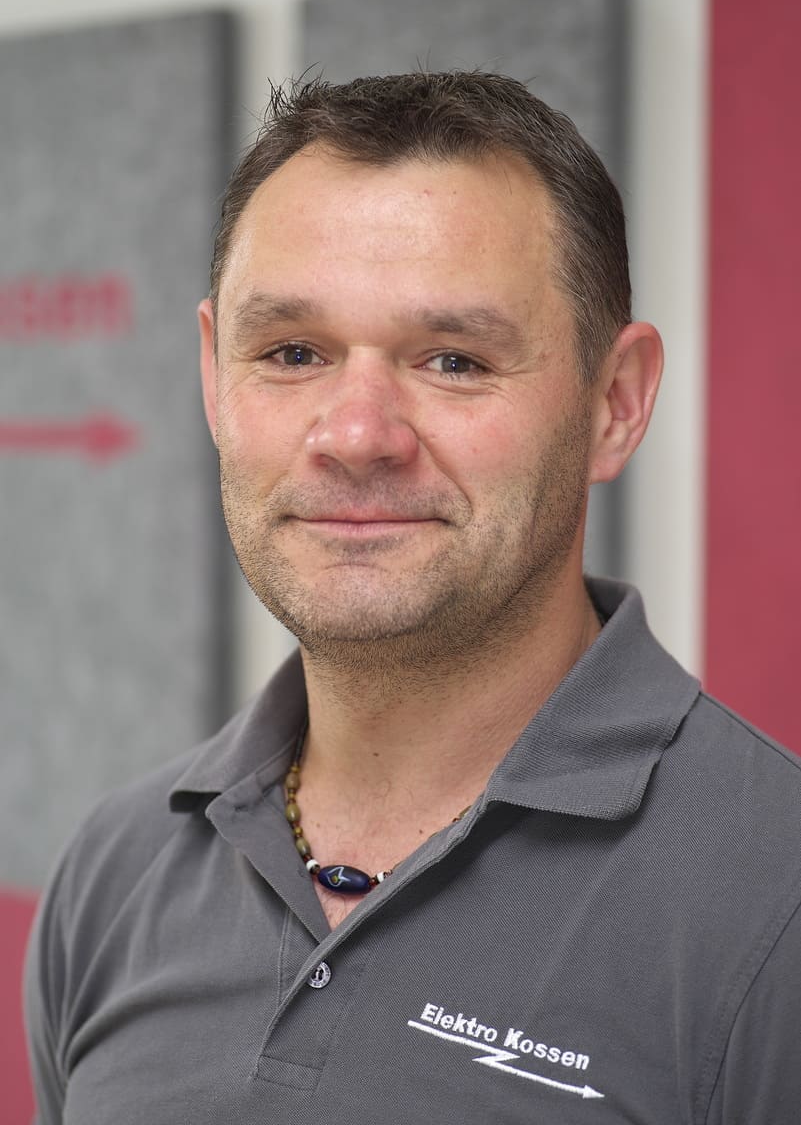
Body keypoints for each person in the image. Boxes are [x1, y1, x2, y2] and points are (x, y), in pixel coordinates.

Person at [24, 71, 801, 1125]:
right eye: (292, 353)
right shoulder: (117, 872)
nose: (356, 435)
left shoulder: (775, 899)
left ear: (614, 404)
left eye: (453, 360)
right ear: (213, 377)